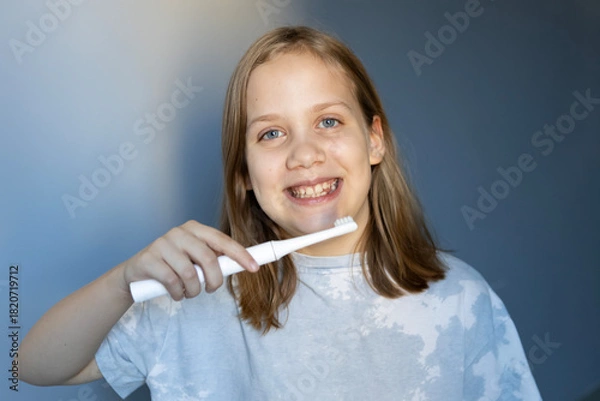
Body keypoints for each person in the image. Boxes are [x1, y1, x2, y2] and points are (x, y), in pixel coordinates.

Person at [19, 26, 542, 400]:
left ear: (375, 140)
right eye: (271, 133)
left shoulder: (462, 301)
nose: (303, 153)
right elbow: (31, 367)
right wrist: (124, 281)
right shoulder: (193, 300)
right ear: (244, 173)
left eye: (329, 122)